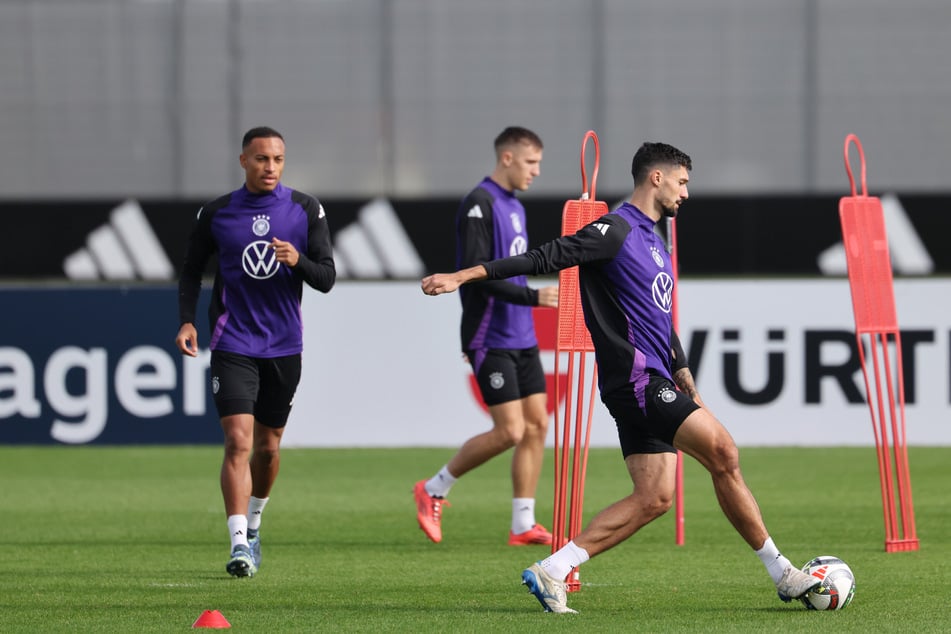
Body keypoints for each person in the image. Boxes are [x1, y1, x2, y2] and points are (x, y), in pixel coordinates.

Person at [421, 142, 820, 612]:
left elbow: (661, 319)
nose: (686, 193)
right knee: (724, 453)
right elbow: (545, 257)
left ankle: (552, 570)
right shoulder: (613, 230)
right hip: (637, 382)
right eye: (683, 181)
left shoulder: (657, 238)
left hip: (652, 381)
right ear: (657, 178)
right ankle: (784, 574)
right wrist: (464, 275)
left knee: (654, 497)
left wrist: (685, 375)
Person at [176, 126, 336, 578]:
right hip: (233, 342)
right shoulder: (218, 212)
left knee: (267, 448)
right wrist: (187, 320)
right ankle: (239, 543)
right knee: (238, 442)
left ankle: (257, 519)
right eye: (262, 159)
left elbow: (326, 277)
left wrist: (297, 261)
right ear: (243, 160)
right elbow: (191, 270)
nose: (271, 167)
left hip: (284, 345)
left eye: (278, 159)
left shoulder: (305, 209)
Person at [414, 127, 559, 546]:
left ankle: (522, 523)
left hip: (521, 335)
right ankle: (434, 487)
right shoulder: (480, 204)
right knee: (510, 430)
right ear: (508, 158)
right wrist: (534, 296)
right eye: (531, 163)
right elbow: (477, 276)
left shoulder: (514, 206)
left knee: (537, 426)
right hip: (490, 333)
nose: (536, 172)